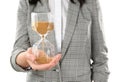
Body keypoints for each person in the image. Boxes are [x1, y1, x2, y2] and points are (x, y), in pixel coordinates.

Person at [10, 0, 110, 82]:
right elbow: (18, 50)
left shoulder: (90, 2)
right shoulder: (27, 2)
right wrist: (25, 58)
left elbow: (101, 59)